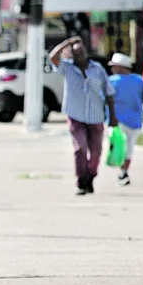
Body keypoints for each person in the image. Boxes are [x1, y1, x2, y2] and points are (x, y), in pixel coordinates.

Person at [49, 36, 118, 195]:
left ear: (86, 53)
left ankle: (90, 177)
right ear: (72, 55)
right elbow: (53, 57)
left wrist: (113, 117)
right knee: (80, 148)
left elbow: (109, 93)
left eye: (82, 53)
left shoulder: (98, 69)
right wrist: (67, 43)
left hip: (96, 117)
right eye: (77, 53)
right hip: (76, 116)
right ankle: (81, 182)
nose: (80, 56)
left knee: (95, 153)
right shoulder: (67, 68)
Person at [107, 53, 143, 186]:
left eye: (114, 66)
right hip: (135, 121)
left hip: (116, 121)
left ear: (121, 67)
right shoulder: (139, 81)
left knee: (120, 147)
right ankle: (124, 172)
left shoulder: (111, 81)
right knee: (129, 149)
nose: (112, 69)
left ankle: (123, 172)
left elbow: (102, 100)